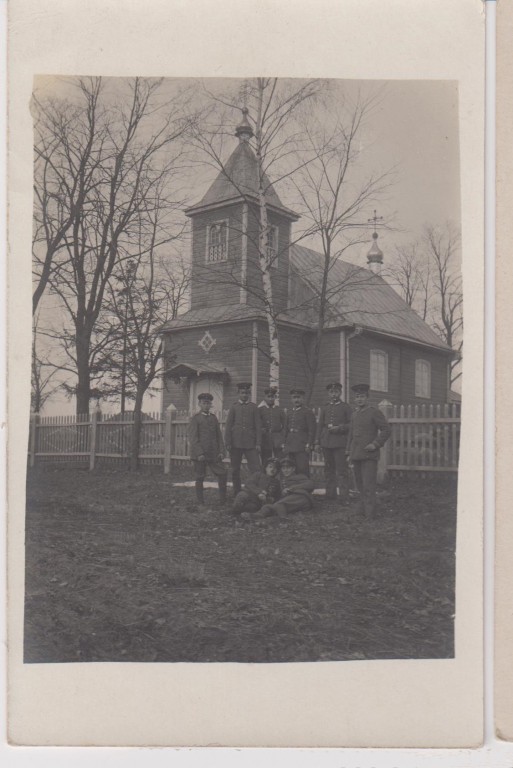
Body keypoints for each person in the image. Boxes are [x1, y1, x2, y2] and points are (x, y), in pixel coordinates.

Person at [346, 383, 391, 517]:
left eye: (362, 396)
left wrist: (375, 444)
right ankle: (362, 508)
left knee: (368, 485)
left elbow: (386, 430)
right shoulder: (354, 414)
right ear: (355, 399)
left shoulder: (374, 412)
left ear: (367, 398)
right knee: (359, 484)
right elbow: (351, 434)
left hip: (369, 455)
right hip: (356, 454)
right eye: (357, 397)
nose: (360, 399)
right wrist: (348, 451)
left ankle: (370, 512)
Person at [315, 381, 353, 504]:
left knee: (342, 470)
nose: (333, 394)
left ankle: (344, 497)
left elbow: (351, 424)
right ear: (328, 393)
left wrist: (340, 428)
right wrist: (317, 442)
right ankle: (330, 495)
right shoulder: (325, 407)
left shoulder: (345, 407)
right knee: (328, 469)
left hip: (340, 443)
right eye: (331, 392)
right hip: (326, 442)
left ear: (340, 392)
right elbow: (320, 425)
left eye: (336, 392)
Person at [188, 392, 227, 508]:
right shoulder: (196, 419)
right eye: (204, 403)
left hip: (213, 453)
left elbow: (219, 436)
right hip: (200, 454)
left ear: (211, 405)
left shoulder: (213, 418)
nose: (206, 405)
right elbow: (193, 438)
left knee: (223, 473)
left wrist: (221, 451)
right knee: (200, 476)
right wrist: (199, 453)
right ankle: (200, 501)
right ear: (199, 404)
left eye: (208, 403)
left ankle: (223, 501)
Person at [246, 455, 315, 519]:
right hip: (288, 503)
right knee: (268, 506)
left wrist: (291, 489)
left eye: (288, 468)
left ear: (293, 469)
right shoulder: (280, 481)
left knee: (279, 505)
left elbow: (310, 484)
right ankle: (258, 515)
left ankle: (283, 520)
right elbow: (278, 496)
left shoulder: (299, 476)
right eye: (283, 468)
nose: (285, 470)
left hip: (301, 497)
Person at [224, 382, 262, 496]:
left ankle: (255, 491)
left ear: (249, 393)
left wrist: (258, 443)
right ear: (238, 393)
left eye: (246, 393)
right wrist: (228, 442)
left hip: (251, 444)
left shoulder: (254, 407)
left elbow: (258, 427)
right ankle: (237, 492)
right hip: (236, 444)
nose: (244, 395)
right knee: (235, 469)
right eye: (242, 393)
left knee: (255, 469)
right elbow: (229, 425)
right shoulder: (234, 407)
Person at [282, 388, 316, 475]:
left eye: (298, 397)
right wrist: (284, 443)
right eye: (294, 397)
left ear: (302, 398)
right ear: (291, 399)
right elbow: (285, 429)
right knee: (290, 468)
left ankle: (304, 487)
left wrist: (309, 444)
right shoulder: (289, 412)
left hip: (302, 445)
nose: (296, 400)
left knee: (302, 468)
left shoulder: (307, 412)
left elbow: (312, 430)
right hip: (290, 445)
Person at [258, 386, 286, 467]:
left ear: (275, 397)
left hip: (277, 439)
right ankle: (266, 479)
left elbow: (285, 425)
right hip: (265, 439)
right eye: (268, 397)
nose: (270, 399)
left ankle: (280, 478)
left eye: (272, 397)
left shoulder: (279, 410)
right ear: (265, 397)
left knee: (280, 460)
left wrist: (282, 437)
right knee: (266, 461)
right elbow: (257, 424)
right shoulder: (260, 410)